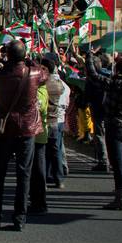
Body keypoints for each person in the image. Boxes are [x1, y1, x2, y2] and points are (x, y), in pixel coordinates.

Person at [0, 40, 48, 231]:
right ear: (24, 55)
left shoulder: (1, 74)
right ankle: (20, 218)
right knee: (24, 174)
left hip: (5, 128)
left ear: (7, 55)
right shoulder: (34, 73)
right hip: (27, 129)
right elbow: (44, 75)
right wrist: (29, 59)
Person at [86, 47, 122, 210]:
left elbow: (93, 76)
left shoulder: (113, 84)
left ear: (117, 70)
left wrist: (89, 57)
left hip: (115, 125)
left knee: (118, 163)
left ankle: (120, 198)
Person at [42, 58, 70, 189]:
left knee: (44, 150)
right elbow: (67, 103)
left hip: (48, 119)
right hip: (60, 119)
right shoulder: (64, 85)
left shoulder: (45, 84)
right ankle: (58, 178)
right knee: (56, 149)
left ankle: (48, 177)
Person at [29, 79, 49, 215]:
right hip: (32, 134)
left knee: (37, 170)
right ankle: (34, 199)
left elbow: (38, 105)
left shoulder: (41, 90)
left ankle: (40, 201)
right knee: (31, 170)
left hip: (38, 136)